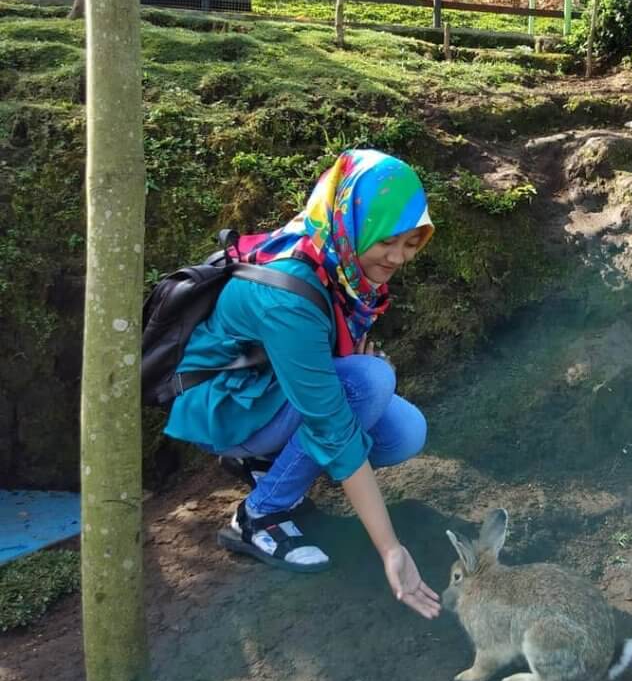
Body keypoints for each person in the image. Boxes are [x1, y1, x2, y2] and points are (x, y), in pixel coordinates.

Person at [163, 149, 440, 619]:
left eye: (412, 243)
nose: (398, 258)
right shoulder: (289, 290)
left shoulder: (337, 252)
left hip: (265, 389)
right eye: (388, 241)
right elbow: (331, 420)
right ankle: (258, 517)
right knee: (369, 383)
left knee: (403, 431)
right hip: (223, 403)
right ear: (356, 223)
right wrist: (391, 548)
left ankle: (265, 461)